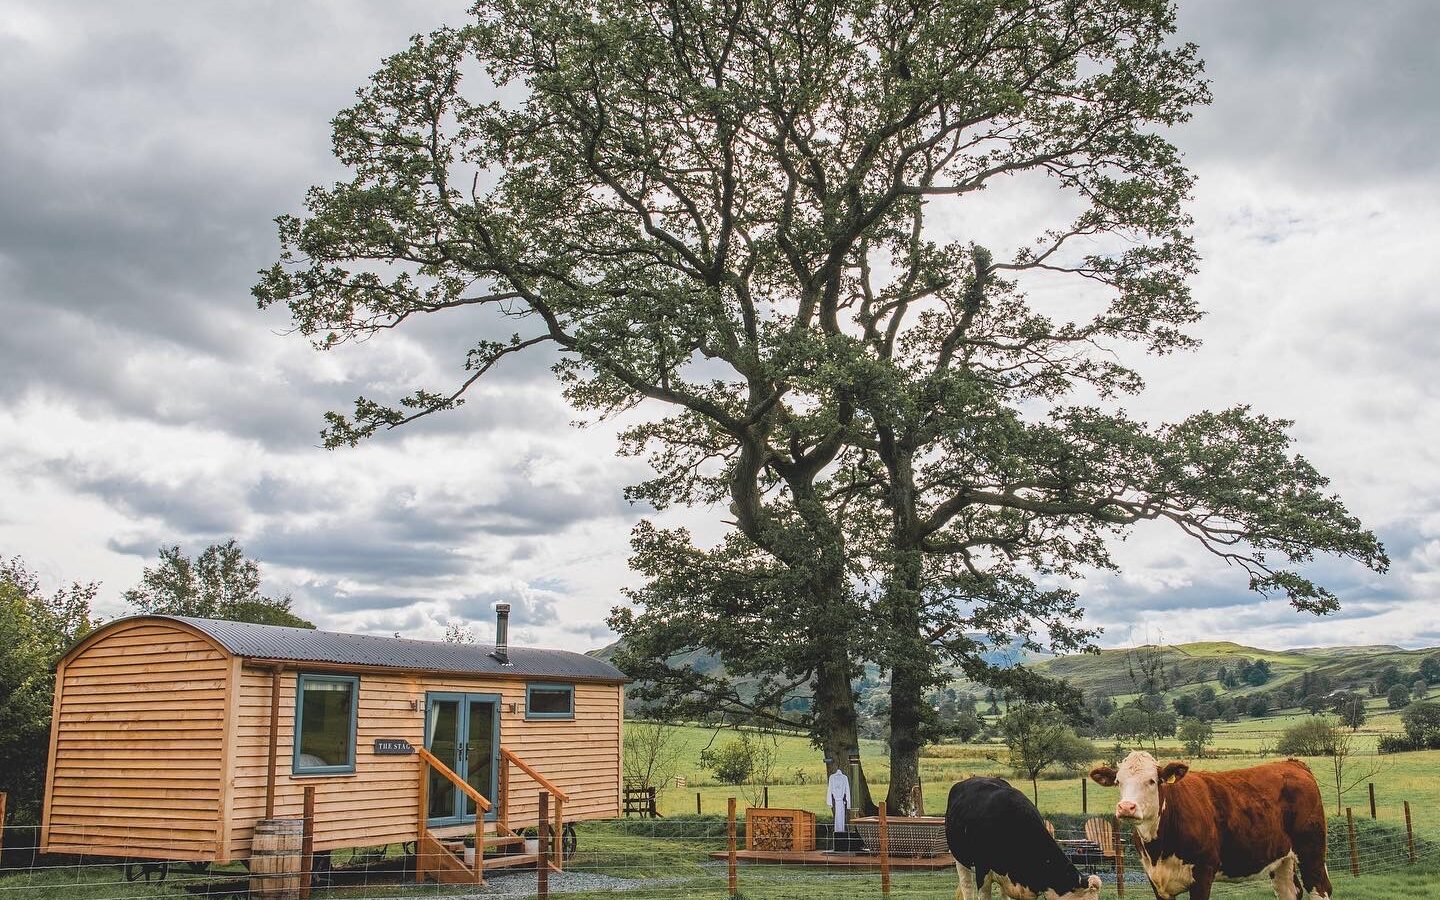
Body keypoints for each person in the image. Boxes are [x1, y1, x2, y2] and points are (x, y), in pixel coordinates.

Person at [826, 756, 851, 851]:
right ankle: (838, 834)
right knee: (838, 818)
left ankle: (840, 834)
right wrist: (830, 801)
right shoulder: (832, 778)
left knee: (841, 818)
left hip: (840, 801)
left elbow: (847, 790)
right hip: (837, 801)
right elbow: (830, 790)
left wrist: (848, 803)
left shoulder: (844, 778)